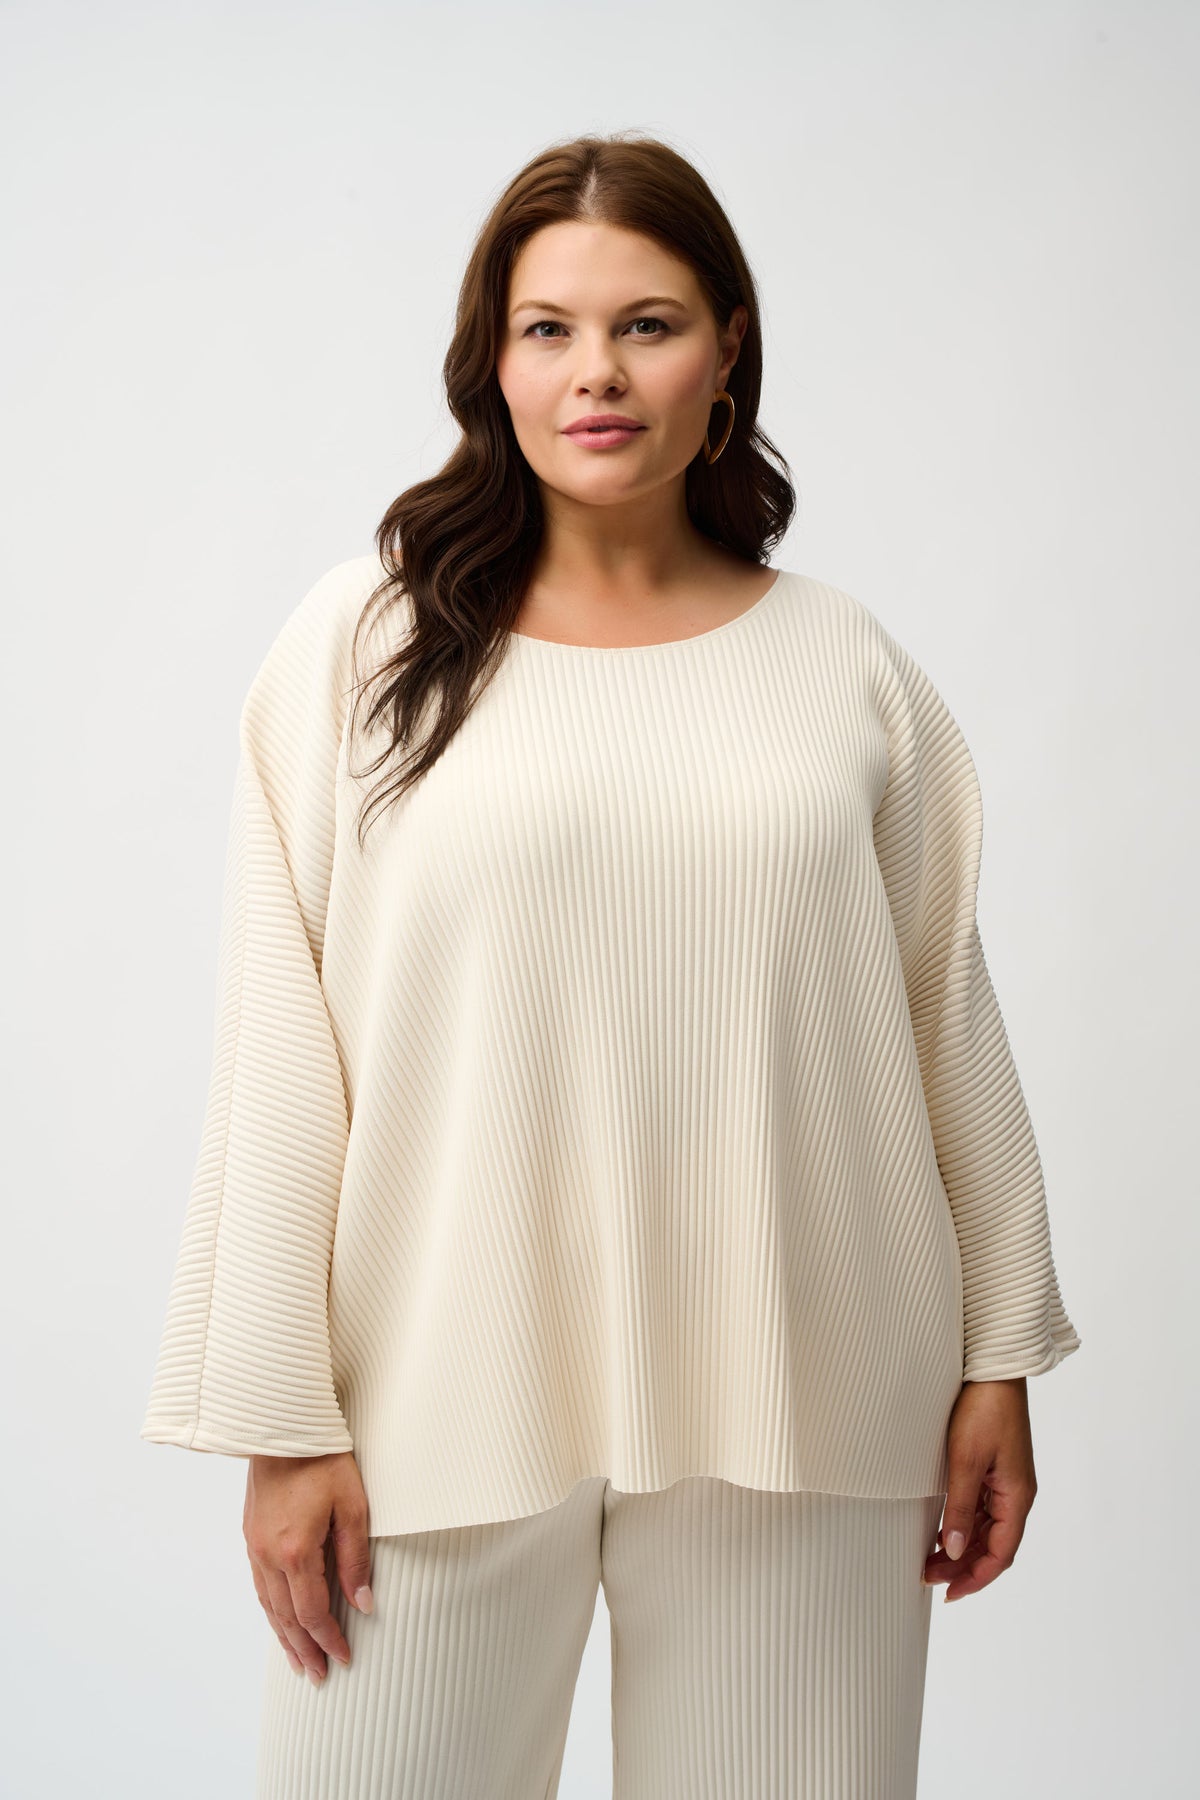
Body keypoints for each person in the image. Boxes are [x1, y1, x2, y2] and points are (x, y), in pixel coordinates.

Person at [140, 132, 1082, 1800]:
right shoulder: (363, 646)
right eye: (548, 328)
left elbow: (943, 1014)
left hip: (813, 1382)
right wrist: (280, 1414)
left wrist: (997, 1352)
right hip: (428, 1387)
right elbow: (278, 1047)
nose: (598, 372)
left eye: (647, 324)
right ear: (490, 361)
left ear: (726, 351)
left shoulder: (841, 664)